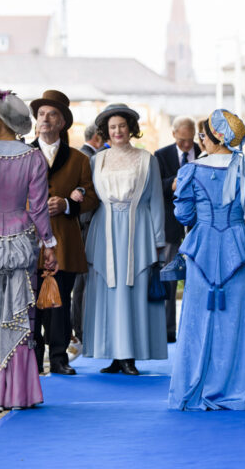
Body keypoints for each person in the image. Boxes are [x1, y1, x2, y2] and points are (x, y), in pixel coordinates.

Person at [168, 110, 245, 411]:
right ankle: (241, 386)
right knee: (240, 319)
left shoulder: (191, 171)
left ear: (214, 138)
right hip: (236, 249)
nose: (200, 140)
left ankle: (199, 385)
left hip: (201, 251)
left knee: (197, 321)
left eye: (203, 135)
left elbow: (184, 215)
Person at [0, 90, 58, 410]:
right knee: (19, 315)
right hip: (20, 241)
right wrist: (49, 245)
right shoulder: (32, 157)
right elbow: (39, 209)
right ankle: (21, 393)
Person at [83, 103, 167, 374]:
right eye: (112, 127)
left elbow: (156, 200)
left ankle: (130, 355)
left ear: (131, 128)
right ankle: (113, 354)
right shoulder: (97, 160)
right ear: (105, 131)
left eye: (122, 126)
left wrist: (158, 238)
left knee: (133, 291)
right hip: (105, 228)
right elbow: (92, 197)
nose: (117, 131)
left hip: (137, 229)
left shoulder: (147, 159)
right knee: (108, 291)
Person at [29, 90, 99, 376]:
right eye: (42, 114)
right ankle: (32, 359)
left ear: (62, 123)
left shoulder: (79, 159)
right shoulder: (24, 153)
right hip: (29, 241)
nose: (45, 119)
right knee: (31, 303)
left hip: (64, 242)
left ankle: (58, 358)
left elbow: (93, 197)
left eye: (52, 114)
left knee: (60, 304)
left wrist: (69, 204)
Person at [154, 116, 197, 343]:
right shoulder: (161, 156)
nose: (188, 145)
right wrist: (174, 182)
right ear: (174, 135)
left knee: (197, 281)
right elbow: (155, 186)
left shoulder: (206, 152)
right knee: (169, 281)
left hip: (198, 229)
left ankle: (196, 328)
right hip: (171, 229)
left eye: (190, 140)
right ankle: (168, 329)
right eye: (183, 140)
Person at [70, 122, 104, 356]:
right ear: (99, 138)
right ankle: (81, 332)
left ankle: (84, 331)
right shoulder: (85, 158)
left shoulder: (85, 155)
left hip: (88, 225)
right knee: (81, 284)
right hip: (85, 226)